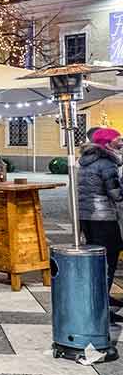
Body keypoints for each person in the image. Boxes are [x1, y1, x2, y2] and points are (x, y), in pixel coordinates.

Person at [78, 127, 123, 315]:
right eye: (117, 139)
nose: (121, 142)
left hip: (86, 217)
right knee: (109, 258)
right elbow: (116, 195)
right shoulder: (106, 163)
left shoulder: (86, 161)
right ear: (107, 143)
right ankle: (101, 307)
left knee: (96, 259)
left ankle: (100, 297)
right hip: (103, 217)